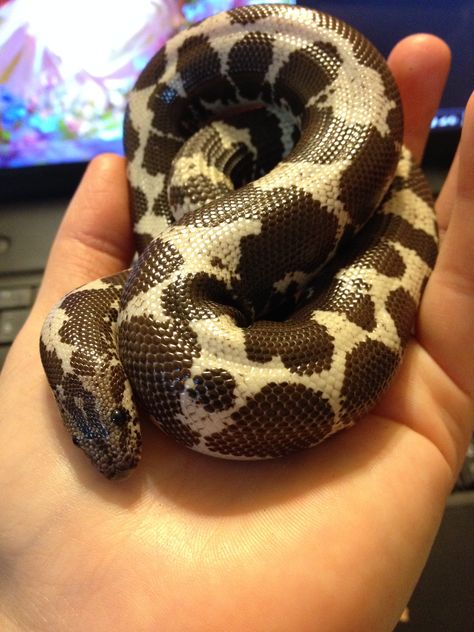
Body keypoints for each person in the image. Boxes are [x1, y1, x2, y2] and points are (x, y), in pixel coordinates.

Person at [0, 33, 473, 632]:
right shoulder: (132, 322)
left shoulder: (148, 306)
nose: (120, 450)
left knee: (205, 200)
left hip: (311, 136)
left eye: (120, 419)